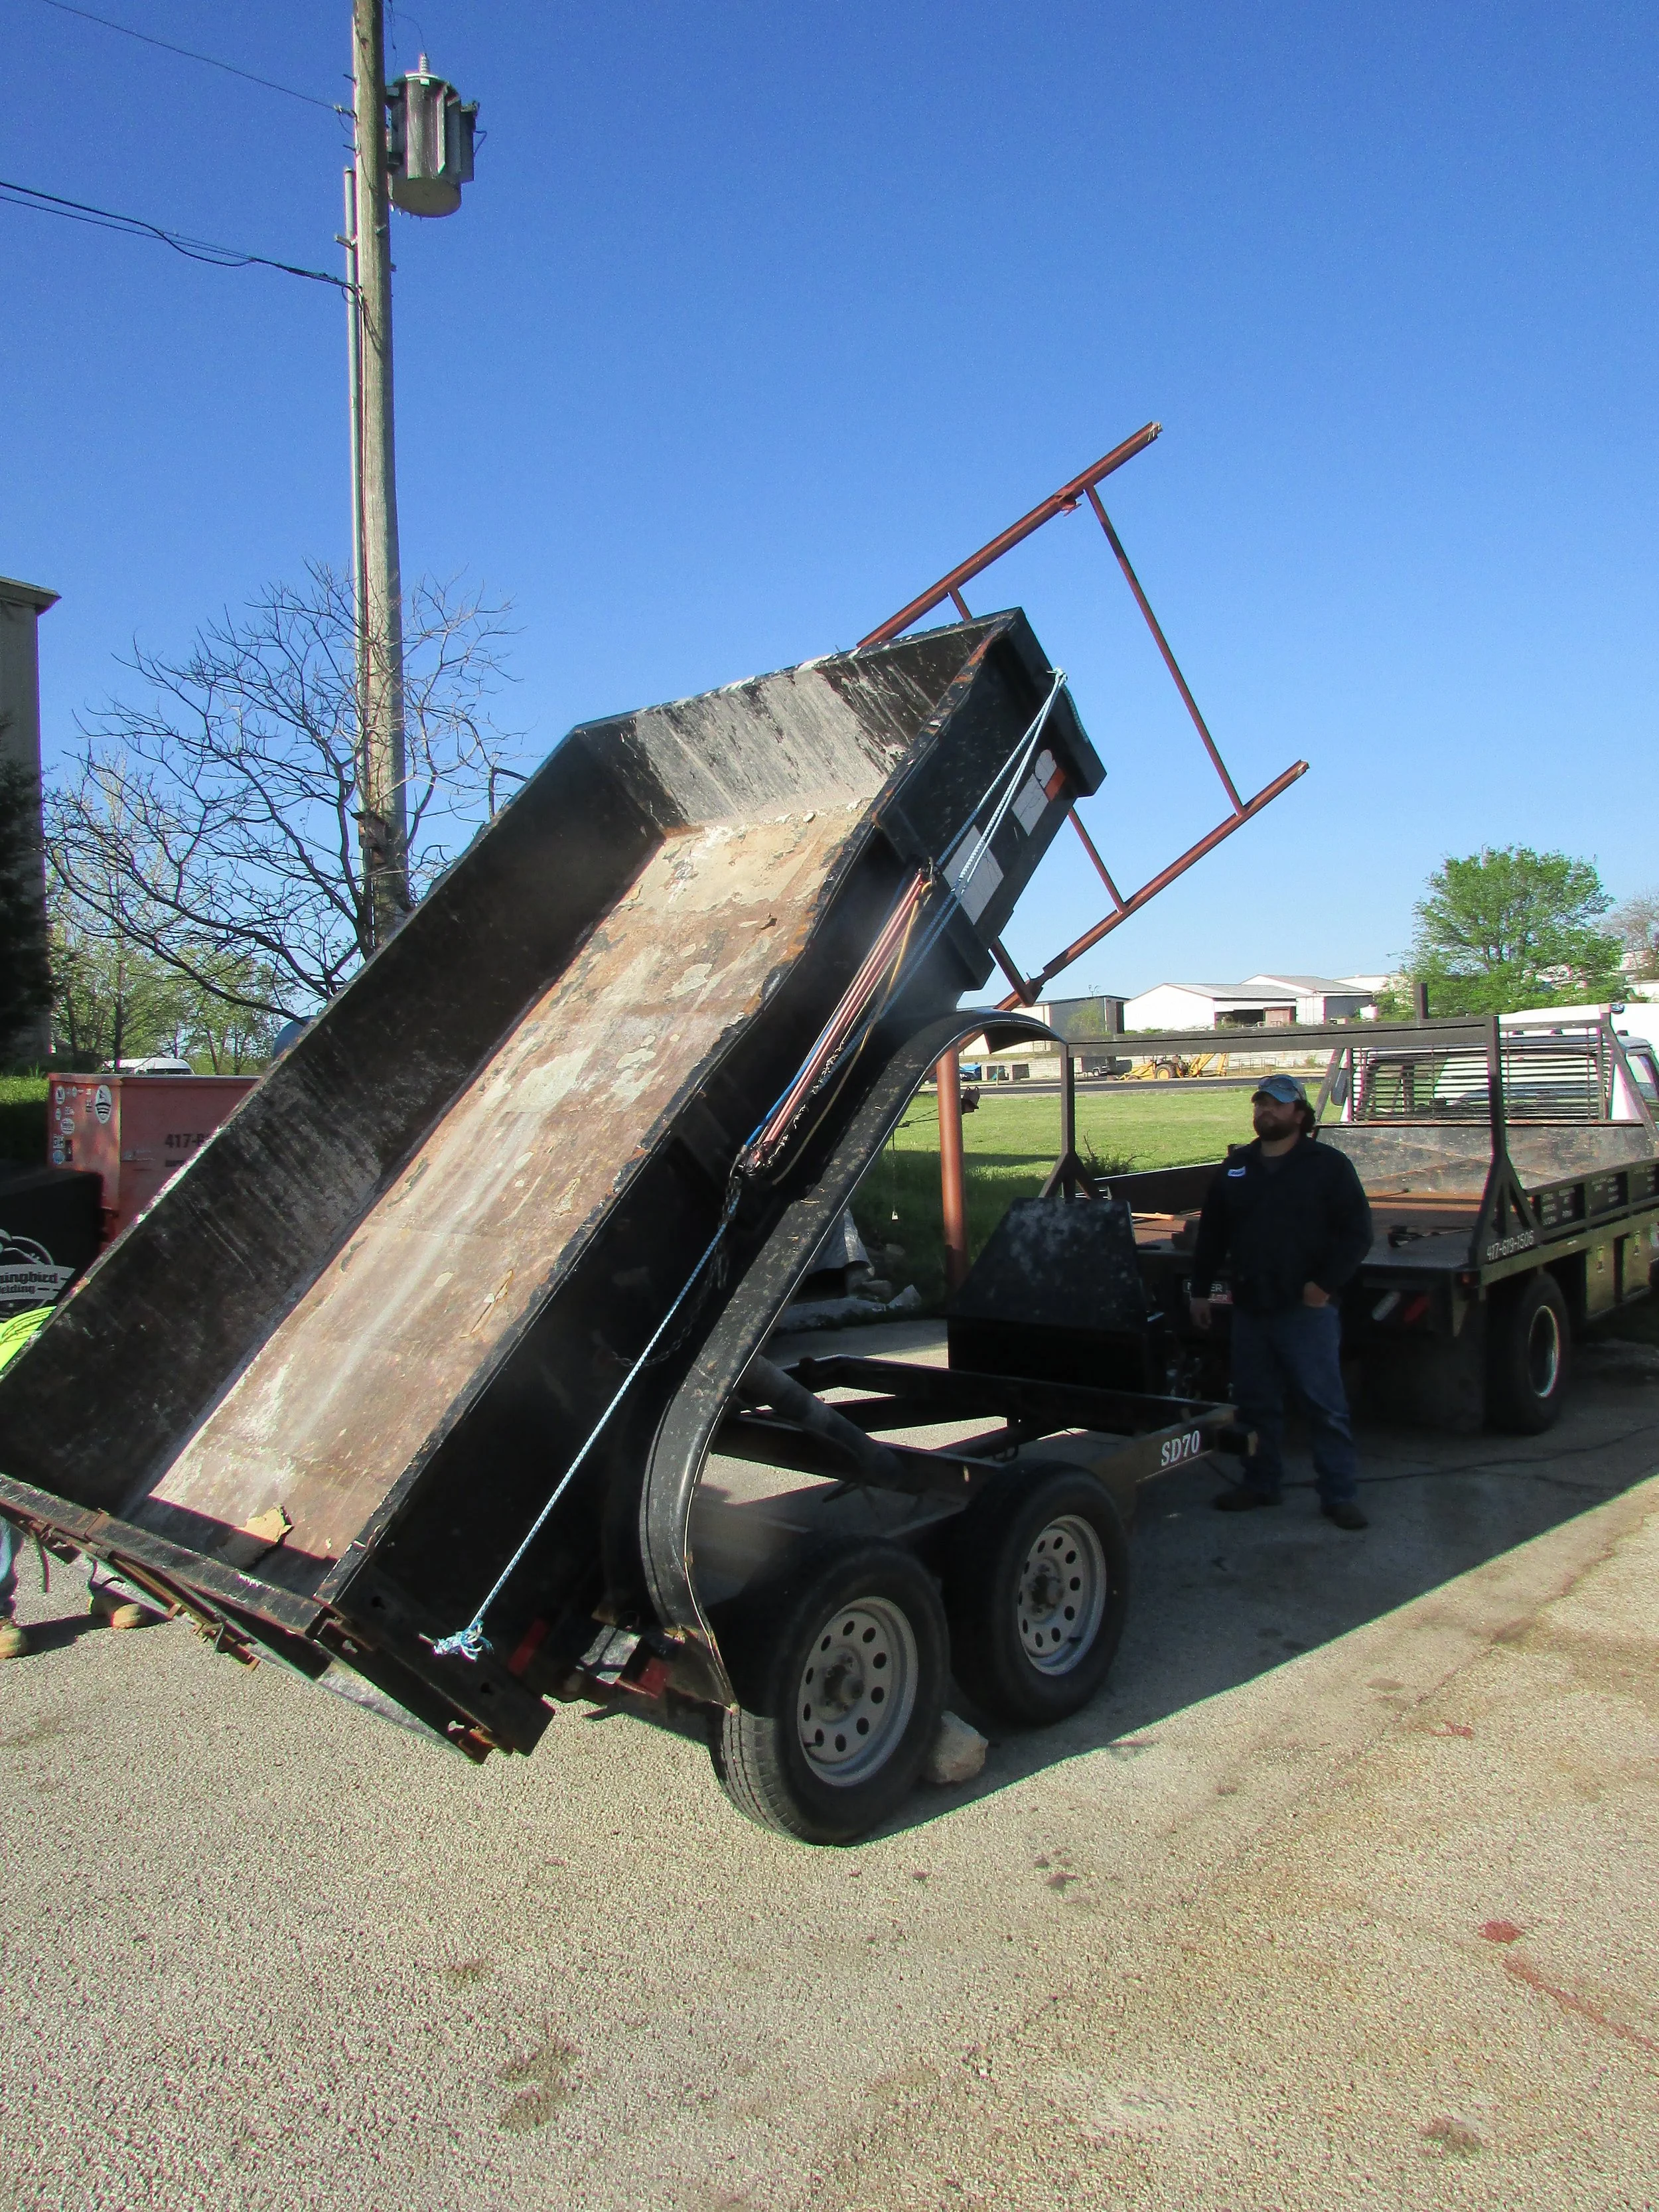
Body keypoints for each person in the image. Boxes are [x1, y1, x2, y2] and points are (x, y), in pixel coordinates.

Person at [1188, 1072, 1374, 1530]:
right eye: (1260, 1103)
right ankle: (1260, 1483)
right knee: (1255, 1403)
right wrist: (1200, 1290)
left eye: (1276, 1103)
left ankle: (1339, 1493)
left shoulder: (1327, 1165)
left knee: (1324, 1406)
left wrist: (1323, 1285)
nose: (1265, 1111)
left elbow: (1357, 1233)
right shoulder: (1237, 1167)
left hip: (1306, 1311)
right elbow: (1212, 1235)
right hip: (1252, 1307)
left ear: (1299, 1113)